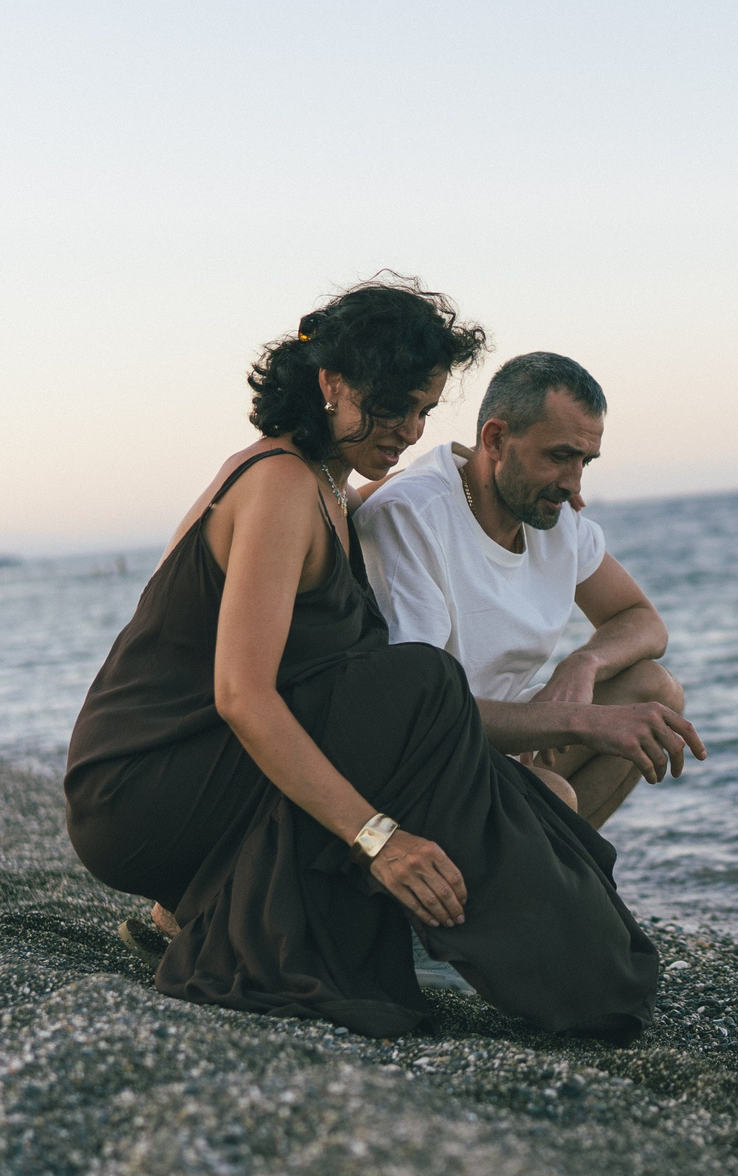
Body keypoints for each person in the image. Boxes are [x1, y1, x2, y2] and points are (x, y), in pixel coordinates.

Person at [63, 278, 661, 1041]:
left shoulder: (326, 489)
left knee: (430, 698)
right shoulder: (278, 483)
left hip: (204, 773)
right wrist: (381, 839)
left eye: (424, 409)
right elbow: (243, 695)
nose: (411, 431)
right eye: (394, 406)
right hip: (140, 789)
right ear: (331, 384)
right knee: (422, 687)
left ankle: (530, 936)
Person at [356, 352, 702, 829]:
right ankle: (555, 885)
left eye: (585, 460)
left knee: (654, 692)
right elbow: (424, 711)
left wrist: (583, 663)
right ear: (496, 439)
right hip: (421, 755)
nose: (573, 482)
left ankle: (560, 877)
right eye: (559, 456)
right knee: (552, 793)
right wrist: (580, 721)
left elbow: (642, 621)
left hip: (492, 741)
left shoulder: (550, 513)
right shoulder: (412, 514)